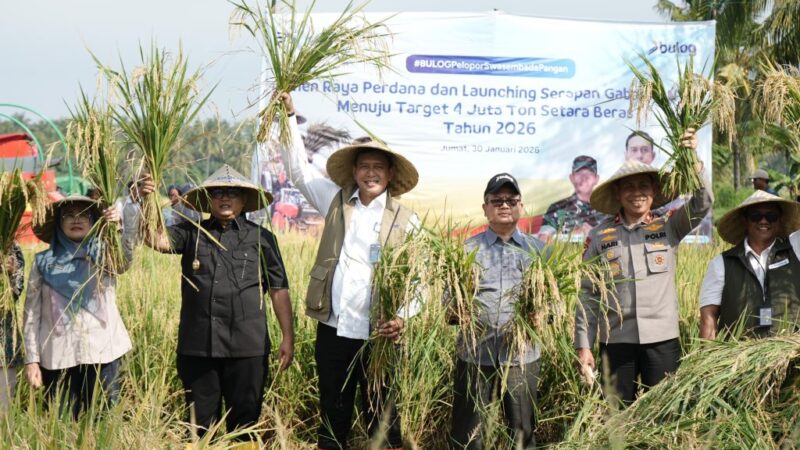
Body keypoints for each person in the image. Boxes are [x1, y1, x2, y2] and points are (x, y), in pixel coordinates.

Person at [280, 92, 418, 450]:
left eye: (378, 167)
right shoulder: (335, 200)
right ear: (354, 172)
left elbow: (420, 281)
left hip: (381, 335)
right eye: (364, 166)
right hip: (335, 328)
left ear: (389, 174)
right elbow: (298, 172)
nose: (370, 173)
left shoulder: (407, 220)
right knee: (334, 413)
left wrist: (402, 317)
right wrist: (289, 120)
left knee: (383, 417)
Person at [139, 165, 294, 441]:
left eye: (232, 193)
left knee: (244, 425)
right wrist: (146, 201)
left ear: (244, 200)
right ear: (209, 199)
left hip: (248, 348)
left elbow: (278, 290)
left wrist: (287, 337)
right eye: (218, 192)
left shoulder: (262, 238)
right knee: (199, 425)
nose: (225, 198)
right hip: (199, 347)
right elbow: (155, 238)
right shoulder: (191, 232)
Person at [574, 130, 713, 405]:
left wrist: (693, 160)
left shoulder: (669, 226)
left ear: (654, 192)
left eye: (643, 186)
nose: (637, 193)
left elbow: (702, 202)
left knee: (662, 415)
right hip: (615, 343)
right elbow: (587, 295)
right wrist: (583, 345)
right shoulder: (599, 236)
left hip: (662, 342)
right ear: (617, 193)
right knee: (615, 417)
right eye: (629, 187)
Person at [449, 173, 544, 450]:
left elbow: (552, 301)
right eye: (497, 200)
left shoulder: (538, 250)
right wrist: (458, 311)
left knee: (523, 430)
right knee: (468, 432)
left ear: (521, 206)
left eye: (510, 200)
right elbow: (450, 303)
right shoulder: (466, 250)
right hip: (475, 353)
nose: (504, 205)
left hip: (522, 355)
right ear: (485, 208)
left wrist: (541, 312)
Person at [23, 195, 133, 418]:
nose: (77, 220)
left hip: (103, 353)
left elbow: (124, 262)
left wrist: (119, 229)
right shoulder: (42, 263)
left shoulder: (105, 255)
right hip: (57, 357)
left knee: (103, 423)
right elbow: (31, 314)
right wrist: (32, 360)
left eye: (84, 215)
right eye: (69, 215)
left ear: (94, 221)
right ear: (59, 223)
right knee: (60, 426)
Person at [699, 191, 800, 339]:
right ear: (745, 221)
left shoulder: (796, 250)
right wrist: (708, 356)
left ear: (780, 221)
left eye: (771, 216)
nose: (764, 221)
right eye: (755, 216)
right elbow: (708, 316)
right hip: (739, 358)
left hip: (789, 356)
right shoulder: (721, 264)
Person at [539, 156, 605, 241]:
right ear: (571, 178)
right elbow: (543, 239)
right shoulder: (557, 208)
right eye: (579, 174)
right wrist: (573, 236)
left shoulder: (609, 210)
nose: (584, 178)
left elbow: (621, 239)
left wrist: (594, 234)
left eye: (589, 174)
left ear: (596, 179)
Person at [1, 243, 24, 411]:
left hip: (3, 348)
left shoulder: (9, 245)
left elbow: (14, 293)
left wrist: (9, 273)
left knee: (3, 416)